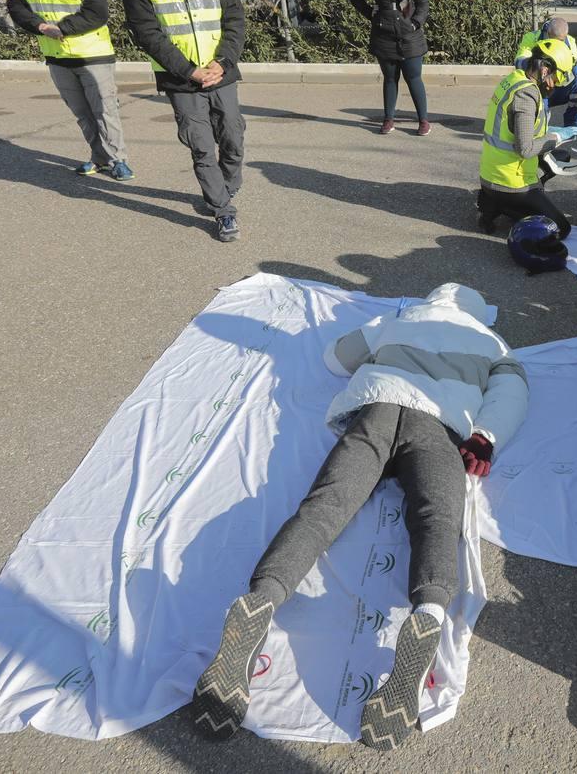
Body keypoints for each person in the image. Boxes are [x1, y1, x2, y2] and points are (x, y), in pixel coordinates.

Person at [191, 284, 528, 749]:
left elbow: (336, 357)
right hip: (439, 424)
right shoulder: (493, 343)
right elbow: (512, 392)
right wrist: (486, 436)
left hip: (377, 408)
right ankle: (428, 612)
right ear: (477, 314)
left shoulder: (401, 320)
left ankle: (263, 599)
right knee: (437, 520)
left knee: (323, 508)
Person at [121, 0, 246, 243]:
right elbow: (145, 30)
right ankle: (223, 210)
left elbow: (234, 15)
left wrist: (223, 61)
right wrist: (188, 70)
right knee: (202, 146)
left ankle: (226, 187)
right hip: (182, 78)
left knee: (233, 138)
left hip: (221, 71)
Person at [7, 0, 132, 181]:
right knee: (82, 114)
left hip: (92, 55)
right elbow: (16, 8)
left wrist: (62, 28)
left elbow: (97, 12)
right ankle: (99, 157)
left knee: (104, 112)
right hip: (56, 57)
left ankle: (118, 159)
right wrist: (41, 27)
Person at [476, 38, 577, 237]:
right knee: (562, 228)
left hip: (492, 173)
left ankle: (492, 202)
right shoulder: (526, 96)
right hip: (509, 181)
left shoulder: (514, 79)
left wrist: (552, 130)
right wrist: (556, 137)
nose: (557, 84)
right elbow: (525, 149)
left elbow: (520, 128)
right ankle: (503, 206)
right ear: (545, 70)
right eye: (558, 78)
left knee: (562, 157)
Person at [347, 0, 431, 136]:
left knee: (413, 77)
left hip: (410, 34)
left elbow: (423, 4)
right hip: (384, 34)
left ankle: (423, 121)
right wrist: (371, 14)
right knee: (390, 78)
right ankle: (388, 119)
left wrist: (414, 23)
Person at [515, 16, 577, 129]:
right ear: (548, 32)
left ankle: (572, 125)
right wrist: (540, 68)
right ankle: (540, 123)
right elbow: (519, 63)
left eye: (561, 41)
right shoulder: (532, 38)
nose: (557, 44)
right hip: (539, 88)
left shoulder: (570, 41)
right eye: (554, 39)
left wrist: (570, 63)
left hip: (559, 88)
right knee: (539, 127)